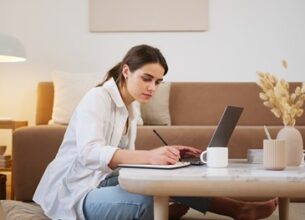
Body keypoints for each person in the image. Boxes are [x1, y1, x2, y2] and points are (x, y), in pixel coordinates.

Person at [33, 44, 278, 220]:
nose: (152, 88)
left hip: (101, 181)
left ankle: (239, 209)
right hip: (75, 192)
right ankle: (162, 212)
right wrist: (151, 157)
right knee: (148, 200)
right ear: (126, 71)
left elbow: (122, 160)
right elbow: (90, 153)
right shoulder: (97, 98)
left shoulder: (132, 106)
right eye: (147, 78)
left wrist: (165, 156)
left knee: (170, 176)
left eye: (158, 82)